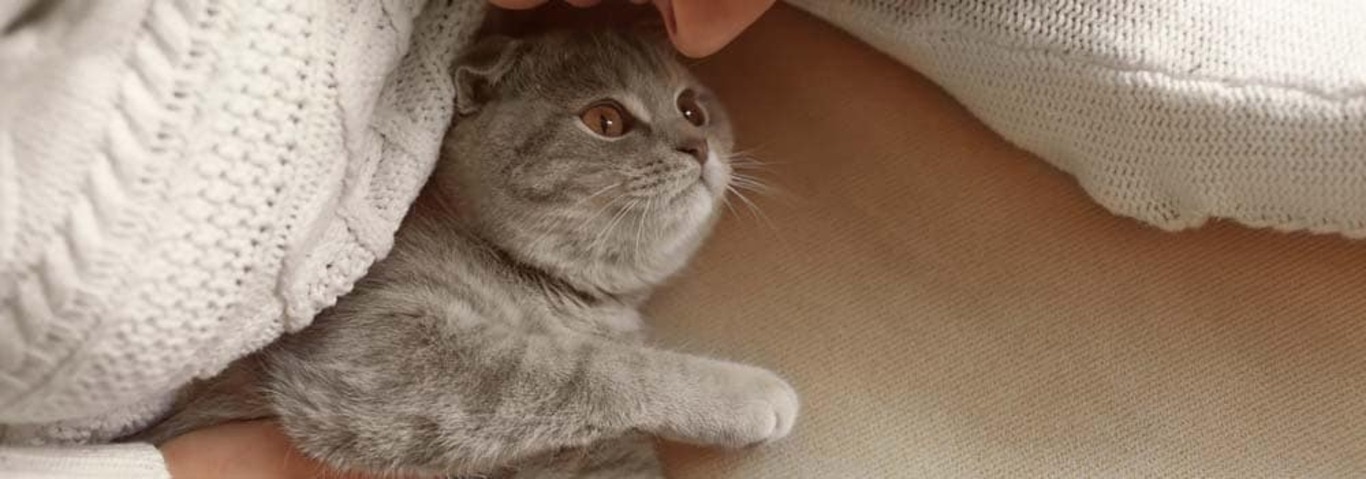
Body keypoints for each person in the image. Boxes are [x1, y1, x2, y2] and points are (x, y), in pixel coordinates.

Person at [152, 1, 773, 477]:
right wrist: (652, 391)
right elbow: (362, 389)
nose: (690, 145)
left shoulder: (598, 329)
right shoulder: (434, 256)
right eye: (609, 121)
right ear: (482, 95)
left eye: (692, 112)